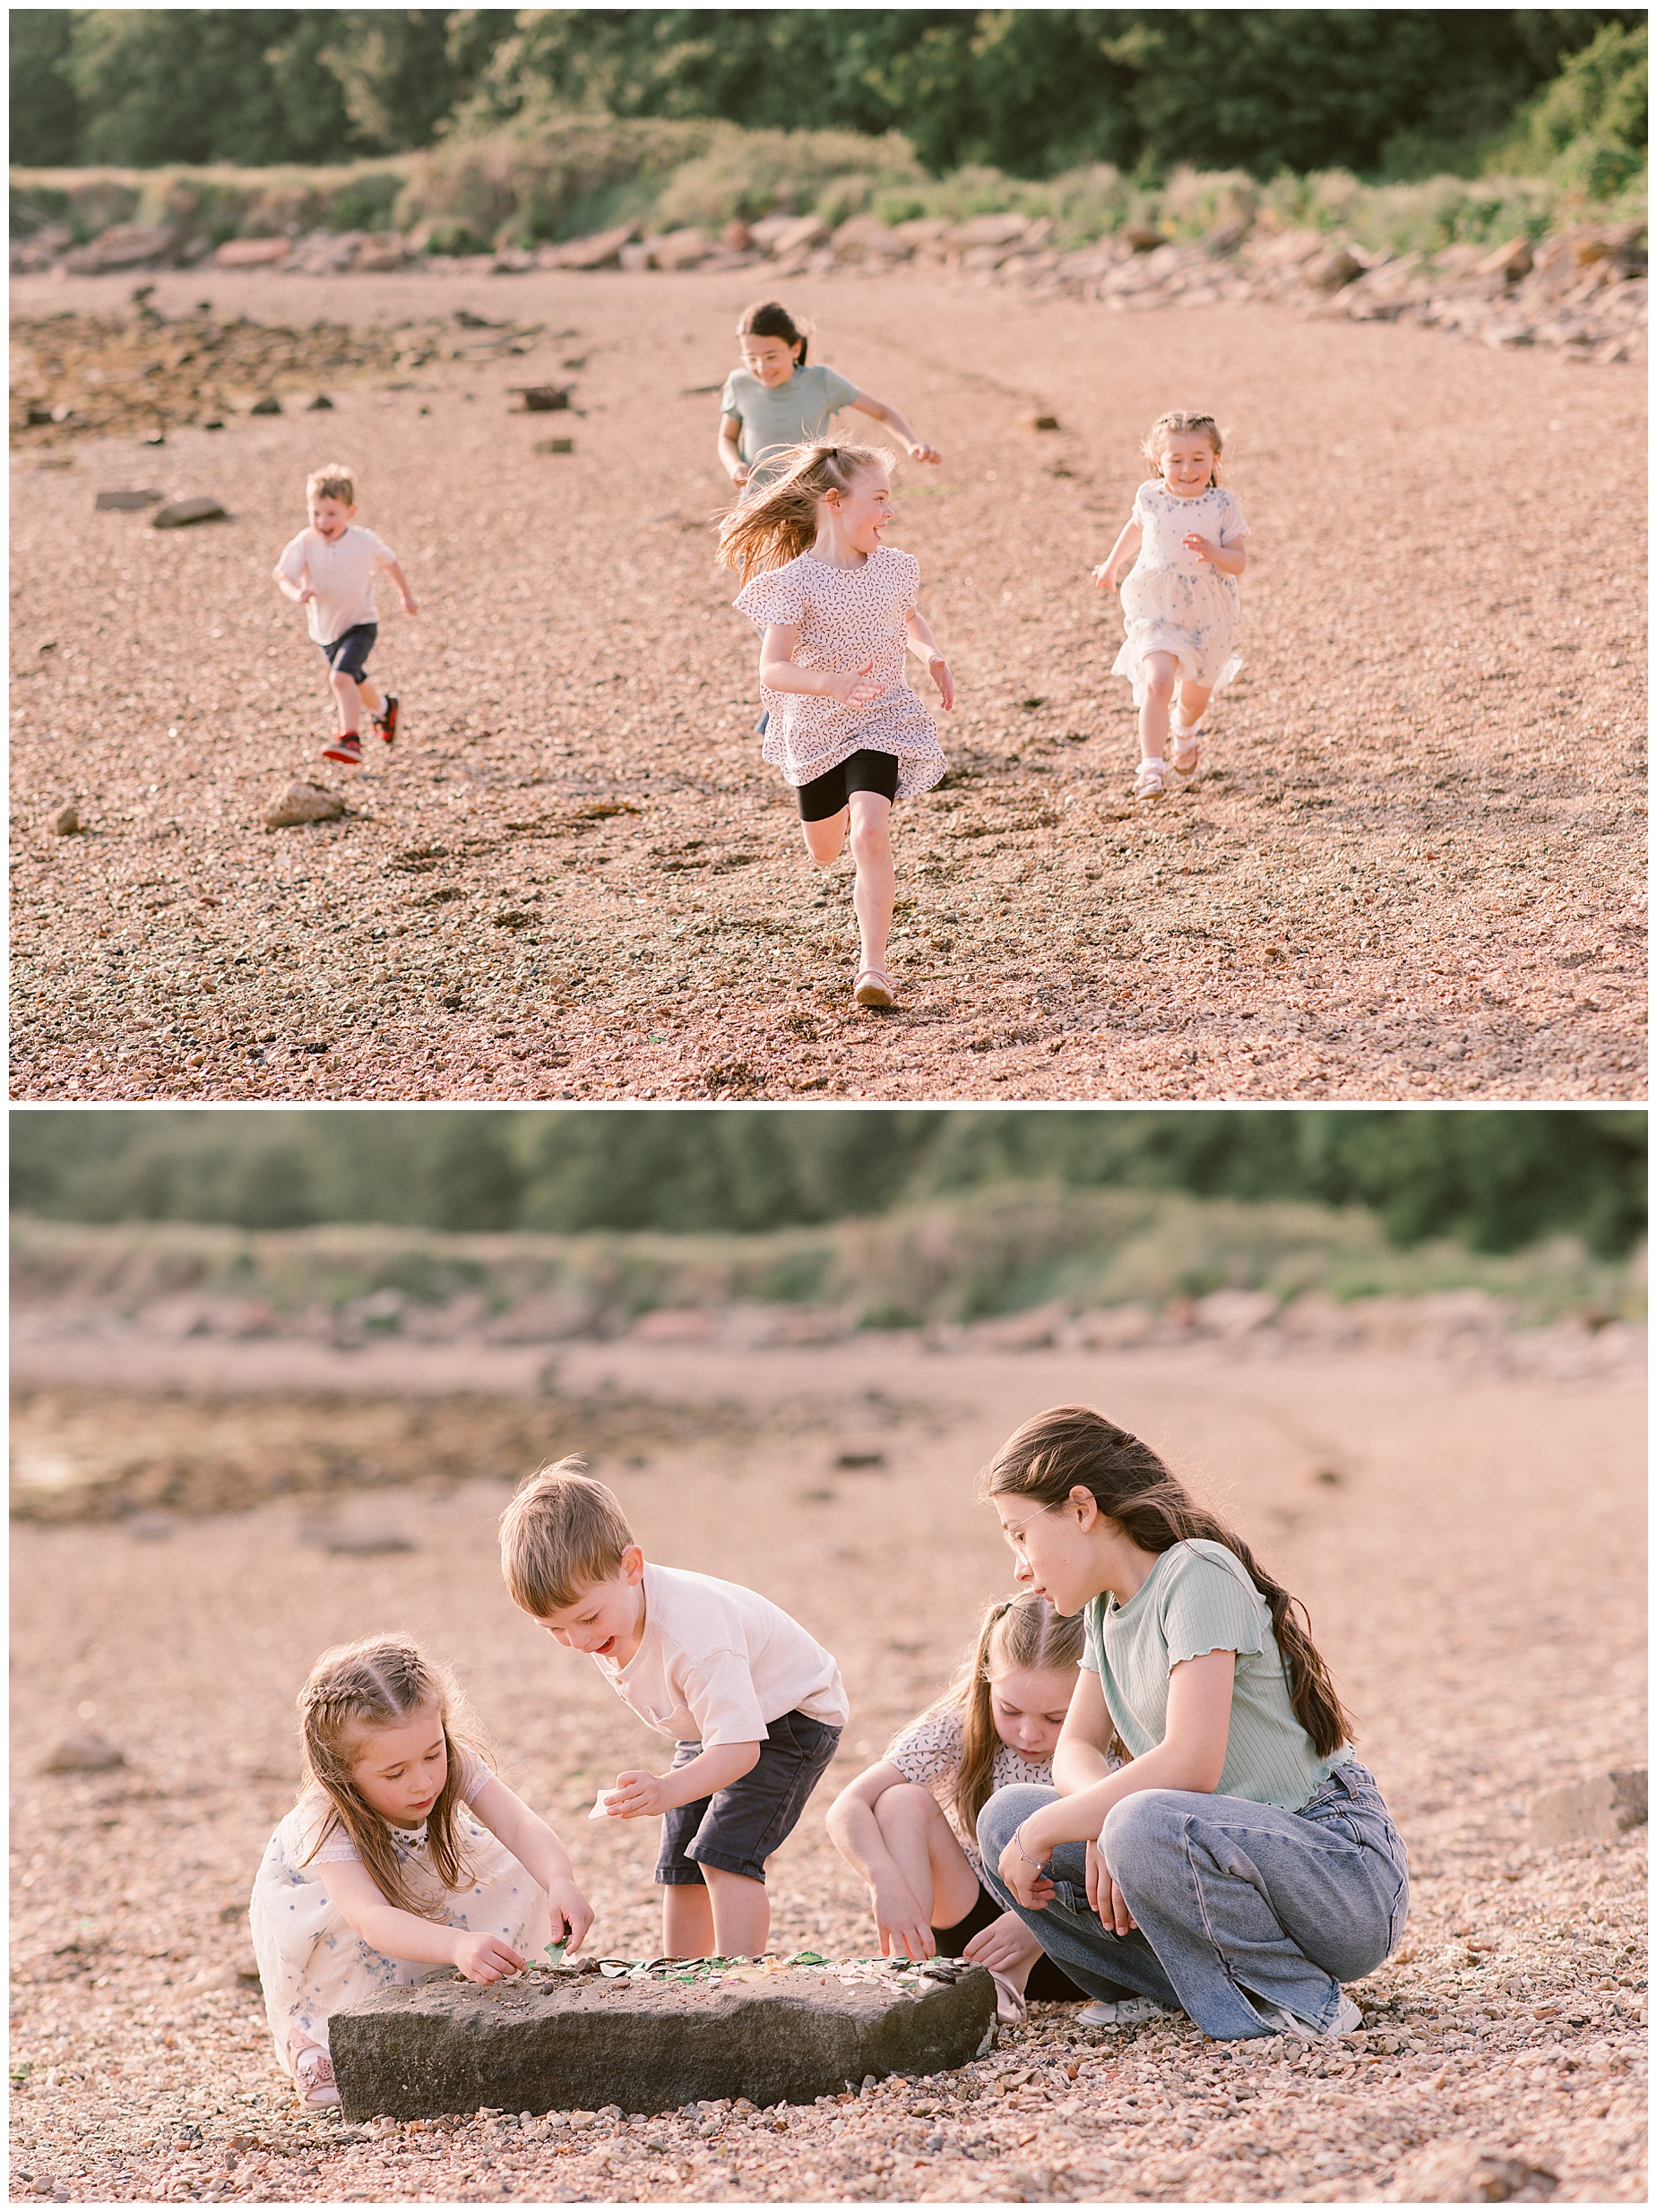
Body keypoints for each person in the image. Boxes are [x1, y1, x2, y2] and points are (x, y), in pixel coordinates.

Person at [974, 1406, 1410, 2042]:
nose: (1018, 1565)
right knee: (1004, 1817)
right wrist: (1089, 1822)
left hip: (1335, 1874)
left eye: (1019, 1534)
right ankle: (1179, 1985)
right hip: (1219, 1849)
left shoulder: (1194, 1572)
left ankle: (1299, 1998)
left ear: (1079, 1508)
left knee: (1129, 1818)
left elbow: (1190, 1762)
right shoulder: (1103, 1611)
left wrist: (1069, 1824)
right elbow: (1075, 1746)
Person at [500, 1460, 847, 1962]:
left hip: (791, 1716)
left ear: (632, 1567)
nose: (576, 1641)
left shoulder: (696, 1635)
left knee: (725, 1852)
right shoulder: (610, 1620)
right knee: (681, 1851)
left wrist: (666, 1789)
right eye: (553, 1629)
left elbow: (740, 1749)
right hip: (715, 1719)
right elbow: (710, 1731)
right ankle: (680, 1977)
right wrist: (671, 1794)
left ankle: (737, 1983)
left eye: (587, 1618)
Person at [248, 1634, 593, 2107]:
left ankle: (465, 1995)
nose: (424, 1781)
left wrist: (560, 1881)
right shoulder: (325, 1816)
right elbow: (370, 1917)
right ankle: (319, 2039)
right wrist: (456, 1943)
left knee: (518, 1867)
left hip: (418, 1880)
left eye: (433, 1755)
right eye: (395, 1774)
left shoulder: (454, 1761)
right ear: (341, 1773)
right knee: (350, 1932)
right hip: (344, 1914)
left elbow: (519, 1824)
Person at [719, 443, 954, 1011]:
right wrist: (831, 684)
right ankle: (840, 809)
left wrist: (931, 654)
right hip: (815, 727)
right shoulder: (792, 582)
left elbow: (908, 615)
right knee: (825, 850)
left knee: (870, 833)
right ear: (834, 502)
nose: (888, 512)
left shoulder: (895, 566)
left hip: (883, 715)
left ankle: (873, 966)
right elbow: (772, 670)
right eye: (877, 499)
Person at [826, 1593, 1099, 2001]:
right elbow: (848, 1805)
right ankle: (911, 1976)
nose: (1028, 1733)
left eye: (1054, 1718)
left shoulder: (1104, 1740)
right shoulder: (962, 1725)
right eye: (1009, 1710)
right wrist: (885, 1881)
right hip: (973, 1945)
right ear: (987, 1681)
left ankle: (1014, 1975)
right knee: (901, 1800)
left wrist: (1040, 1926)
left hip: (1076, 1952)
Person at [1092, 411, 1248, 798]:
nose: (1187, 468)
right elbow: (1136, 527)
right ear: (1158, 462)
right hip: (1156, 606)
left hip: (1208, 613)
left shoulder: (1223, 504)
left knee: (1195, 699)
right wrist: (1112, 565)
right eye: (1175, 460)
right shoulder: (1150, 496)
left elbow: (1239, 562)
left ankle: (1184, 730)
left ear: (1215, 460)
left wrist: (1215, 552)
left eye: (1198, 458)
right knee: (1158, 681)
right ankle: (1150, 768)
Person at [716, 299, 941, 496]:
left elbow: (882, 413)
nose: (761, 367)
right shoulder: (739, 383)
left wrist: (912, 444)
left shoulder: (822, 381)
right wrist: (734, 466)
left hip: (809, 497)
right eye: (751, 358)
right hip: (756, 496)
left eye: (771, 356)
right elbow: (727, 438)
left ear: (795, 349)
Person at [272, 464, 418, 768]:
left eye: (331, 513)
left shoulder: (364, 541)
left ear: (350, 512)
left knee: (340, 678)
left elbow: (390, 562)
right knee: (354, 680)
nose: (322, 521)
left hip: (361, 623)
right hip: (326, 630)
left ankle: (349, 737)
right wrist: (296, 592)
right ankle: (385, 709)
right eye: (315, 514)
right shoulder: (305, 542)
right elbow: (283, 575)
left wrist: (406, 594)